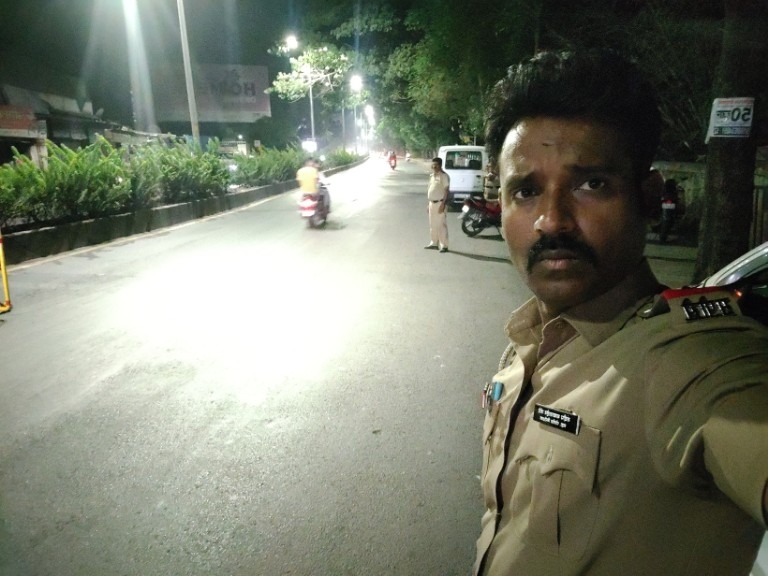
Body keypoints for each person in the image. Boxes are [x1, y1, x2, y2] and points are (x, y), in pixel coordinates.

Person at [475, 49, 768, 576]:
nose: (552, 221)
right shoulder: (529, 344)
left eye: (591, 184)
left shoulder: (690, 362)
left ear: (649, 198)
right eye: (527, 191)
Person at [425, 156, 450, 252]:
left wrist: (443, 204)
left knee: (441, 225)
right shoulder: (431, 176)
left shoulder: (443, 176)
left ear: (440, 166)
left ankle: (444, 245)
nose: (434, 167)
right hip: (432, 203)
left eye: (436, 165)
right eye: (433, 165)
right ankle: (434, 243)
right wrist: (429, 204)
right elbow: (430, 189)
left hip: (440, 203)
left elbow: (446, 191)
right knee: (432, 224)